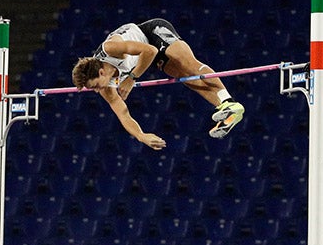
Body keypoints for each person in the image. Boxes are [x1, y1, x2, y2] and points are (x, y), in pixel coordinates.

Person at [71, 18, 244, 150]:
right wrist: (141, 136)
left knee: (189, 65)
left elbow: (150, 50)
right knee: (186, 79)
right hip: (149, 58)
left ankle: (229, 101)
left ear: (101, 72)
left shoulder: (111, 49)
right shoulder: (105, 88)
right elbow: (123, 114)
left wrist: (132, 77)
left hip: (152, 32)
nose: (96, 91)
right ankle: (226, 107)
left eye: (95, 86)